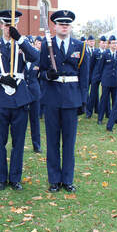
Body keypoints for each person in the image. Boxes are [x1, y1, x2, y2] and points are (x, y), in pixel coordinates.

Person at [0, 9, 38, 191]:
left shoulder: (22, 44)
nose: (8, 28)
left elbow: (35, 57)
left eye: (11, 25)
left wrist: (19, 38)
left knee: (18, 142)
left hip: (20, 99)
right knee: (0, 141)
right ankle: (1, 178)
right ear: (0, 25)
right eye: (6, 25)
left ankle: (15, 178)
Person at [40, 10, 89, 193]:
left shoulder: (80, 47)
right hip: (52, 98)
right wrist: (47, 74)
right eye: (61, 23)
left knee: (69, 142)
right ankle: (54, 179)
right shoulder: (47, 45)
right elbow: (39, 72)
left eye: (67, 24)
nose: (64, 26)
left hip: (71, 99)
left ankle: (67, 179)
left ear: (70, 26)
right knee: (52, 141)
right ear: (54, 26)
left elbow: (85, 77)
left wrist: (83, 101)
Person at [96, 35, 117, 125]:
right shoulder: (105, 54)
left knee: (115, 100)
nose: (114, 45)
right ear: (109, 44)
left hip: (115, 81)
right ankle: (100, 118)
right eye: (113, 43)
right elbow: (100, 67)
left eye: (115, 43)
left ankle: (114, 118)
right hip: (106, 80)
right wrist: (103, 77)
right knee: (104, 99)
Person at [25, 35, 42, 153]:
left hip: (35, 92)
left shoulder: (38, 58)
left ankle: (36, 145)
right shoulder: (18, 58)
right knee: (20, 120)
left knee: (35, 120)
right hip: (21, 93)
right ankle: (19, 143)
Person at [86, 36, 106, 118]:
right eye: (102, 42)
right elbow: (91, 65)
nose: (104, 44)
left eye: (105, 43)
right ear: (99, 43)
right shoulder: (96, 52)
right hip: (95, 75)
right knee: (93, 94)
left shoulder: (107, 52)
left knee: (104, 94)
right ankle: (89, 112)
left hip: (104, 76)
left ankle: (100, 110)